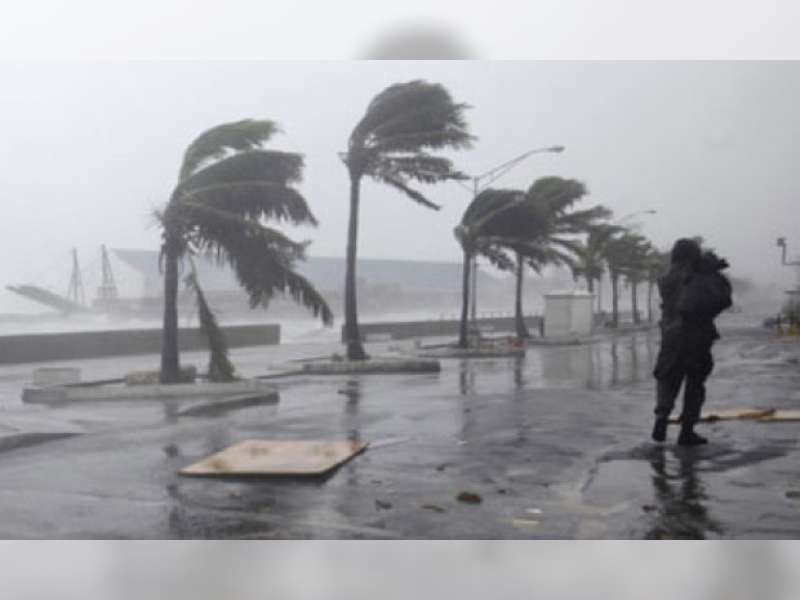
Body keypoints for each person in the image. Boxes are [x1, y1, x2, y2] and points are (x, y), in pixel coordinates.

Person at [651, 239, 732, 446]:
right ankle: (687, 430)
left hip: (670, 336)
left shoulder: (666, 279)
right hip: (697, 336)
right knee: (695, 383)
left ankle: (662, 416)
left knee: (667, 378)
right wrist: (710, 267)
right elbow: (722, 298)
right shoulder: (699, 276)